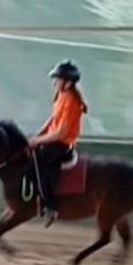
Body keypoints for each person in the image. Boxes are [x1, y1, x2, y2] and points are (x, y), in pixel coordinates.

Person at [28, 59, 88, 227]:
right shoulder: (61, 96)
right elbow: (53, 118)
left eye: (58, 79)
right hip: (51, 138)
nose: (55, 82)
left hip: (61, 143)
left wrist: (38, 140)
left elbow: (61, 133)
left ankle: (50, 206)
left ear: (68, 83)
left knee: (38, 164)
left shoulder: (73, 102)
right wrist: (38, 135)